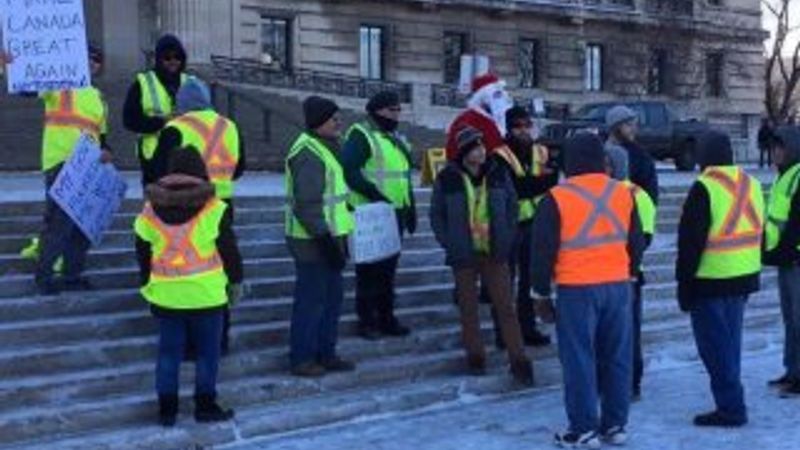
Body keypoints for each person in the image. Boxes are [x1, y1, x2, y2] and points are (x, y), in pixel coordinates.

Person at [531, 133, 645, 447]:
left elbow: (541, 251)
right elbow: (636, 242)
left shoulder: (556, 197)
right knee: (617, 356)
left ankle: (583, 428)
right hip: (618, 286)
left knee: (580, 358)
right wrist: (629, 273)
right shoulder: (623, 193)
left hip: (577, 288)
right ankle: (615, 425)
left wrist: (540, 294)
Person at [134, 147, 242, 427]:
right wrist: (237, 281)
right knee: (208, 354)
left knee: (168, 354)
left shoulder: (150, 211)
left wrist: (147, 281)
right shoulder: (215, 210)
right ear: (200, 173)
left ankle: (166, 411)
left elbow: (142, 252)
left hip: (166, 296)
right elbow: (229, 252)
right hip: (207, 296)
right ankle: (205, 406)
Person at [1, 45, 112, 295]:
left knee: (83, 226)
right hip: (60, 160)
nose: (93, 63)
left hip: (89, 167)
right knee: (59, 224)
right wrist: (10, 66)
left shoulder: (100, 98)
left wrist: (107, 152)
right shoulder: (59, 82)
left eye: (97, 60)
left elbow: (102, 136)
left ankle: (72, 275)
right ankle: (44, 276)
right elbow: (27, 88)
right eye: (88, 59)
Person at [430, 126, 534, 387]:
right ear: (465, 152)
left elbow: (511, 205)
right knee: (468, 309)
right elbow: (436, 214)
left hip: (495, 251)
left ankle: (519, 361)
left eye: (482, 146)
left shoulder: (497, 174)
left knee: (506, 308)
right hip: (463, 253)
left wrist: (508, 236)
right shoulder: (448, 177)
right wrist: (449, 242)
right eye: (475, 147)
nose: (482, 151)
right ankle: (475, 357)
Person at [676, 130, 763, 427]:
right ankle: (731, 400)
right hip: (743, 275)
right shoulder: (750, 183)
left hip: (711, 278)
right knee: (730, 344)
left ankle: (731, 408)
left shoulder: (705, 186)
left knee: (715, 348)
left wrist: (684, 285)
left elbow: (690, 244)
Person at [151, 78, 245, 355]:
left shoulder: (175, 128)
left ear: (181, 104)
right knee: (219, 270)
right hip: (223, 205)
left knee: (187, 271)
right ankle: (219, 340)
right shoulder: (229, 126)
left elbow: (159, 169)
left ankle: (189, 344)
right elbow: (240, 167)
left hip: (184, 206)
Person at [285, 96, 356, 377]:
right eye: (333, 118)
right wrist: (326, 241)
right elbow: (308, 204)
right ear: (317, 122)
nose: (339, 122)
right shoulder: (308, 152)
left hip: (330, 237)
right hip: (312, 241)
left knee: (331, 298)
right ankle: (302, 357)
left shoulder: (327, 147)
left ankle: (326, 352)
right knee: (312, 300)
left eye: (339, 117)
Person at [341, 90, 415, 339]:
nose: (397, 115)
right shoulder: (361, 135)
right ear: (377, 111)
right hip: (371, 213)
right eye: (392, 110)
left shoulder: (393, 138)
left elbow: (403, 177)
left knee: (388, 271)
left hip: (395, 212)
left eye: (398, 110)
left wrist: (410, 208)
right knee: (369, 271)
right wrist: (375, 195)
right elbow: (350, 170)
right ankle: (367, 321)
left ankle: (387, 317)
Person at [491, 106, 557, 348]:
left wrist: (533, 183)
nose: (523, 130)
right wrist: (539, 182)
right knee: (505, 282)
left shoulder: (541, 151)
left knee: (530, 280)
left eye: (527, 125)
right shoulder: (499, 155)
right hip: (510, 225)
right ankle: (504, 333)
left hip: (537, 224)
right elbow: (515, 189)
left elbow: (553, 180)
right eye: (517, 126)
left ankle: (528, 329)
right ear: (509, 129)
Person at [606, 145, 657, 401]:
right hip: (617, 274)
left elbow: (643, 239)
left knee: (628, 334)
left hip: (628, 275)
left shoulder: (634, 195)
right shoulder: (613, 193)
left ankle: (630, 383)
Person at [123, 34, 193, 187]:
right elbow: (129, 120)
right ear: (159, 59)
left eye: (177, 57)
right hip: (154, 157)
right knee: (156, 205)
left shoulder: (190, 82)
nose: (173, 62)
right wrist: (161, 122)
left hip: (186, 154)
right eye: (167, 57)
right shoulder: (143, 82)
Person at [763, 126, 800, 396]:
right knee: (790, 319)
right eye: (773, 147)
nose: (775, 152)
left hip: (795, 258)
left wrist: (783, 251)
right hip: (786, 259)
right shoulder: (783, 176)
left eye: (780, 147)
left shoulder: (797, 175)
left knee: (798, 320)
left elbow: (796, 222)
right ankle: (792, 370)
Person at [445, 73, 514, 161]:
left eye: (501, 94)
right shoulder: (467, 120)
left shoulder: (503, 118)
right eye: (496, 95)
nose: (500, 99)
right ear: (483, 98)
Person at [605, 105, 659, 205]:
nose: (634, 129)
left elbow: (650, 191)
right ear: (615, 127)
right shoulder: (602, 152)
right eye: (629, 125)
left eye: (635, 125)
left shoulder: (640, 155)